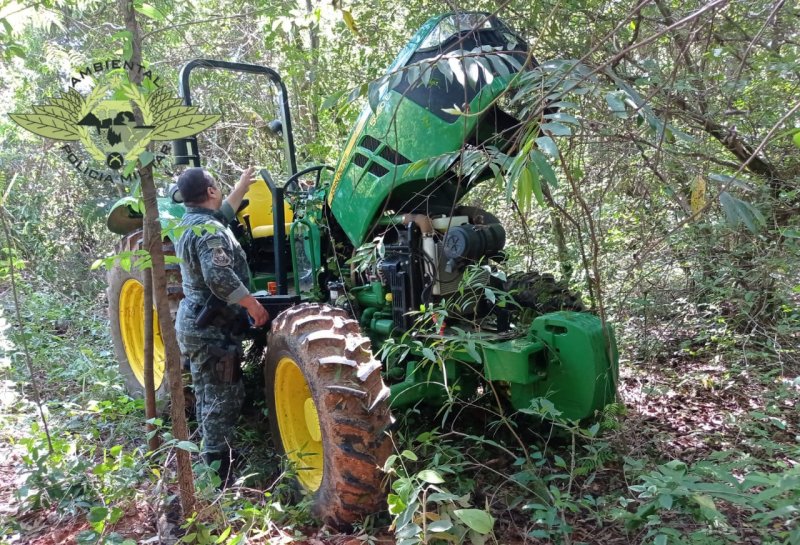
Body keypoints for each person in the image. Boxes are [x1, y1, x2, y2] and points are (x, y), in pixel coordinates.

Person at [174, 166, 268, 483]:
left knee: (206, 392)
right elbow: (219, 278)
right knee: (221, 397)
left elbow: (221, 215)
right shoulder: (210, 232)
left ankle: (211, 455)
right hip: (211, 328)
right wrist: (252, 304)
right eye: (218, 187)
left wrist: (241, 185)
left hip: (196, 322)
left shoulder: (191, 223)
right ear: (211, 191)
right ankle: (218, 474)